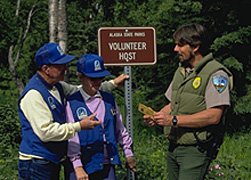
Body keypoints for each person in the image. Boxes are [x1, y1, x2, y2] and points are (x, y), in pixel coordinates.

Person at [18, 42, 129, 180]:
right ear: (46, 68)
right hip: (36, 161)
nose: (65, 68)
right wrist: (79, 126)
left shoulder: (57, 87)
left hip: (52, 160)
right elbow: (45, 132)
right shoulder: (34, 94)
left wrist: (111, 84)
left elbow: (83, 90)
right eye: (60, 65)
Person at [143, 23, 233, 180]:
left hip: (195, 149)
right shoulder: (181, 71)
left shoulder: (216, 74)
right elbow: (173, 103)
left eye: (180, 44)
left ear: (196, 47)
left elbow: (214, 115)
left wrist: (173, 120)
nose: (175, 49)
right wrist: (158, 116)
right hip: (174, 146)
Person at [66, 53, 136, 180]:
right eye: (93, 79)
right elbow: (72, 136)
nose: (97, 82)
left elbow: (119, 128)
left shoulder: (109, 100)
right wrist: (77, 165)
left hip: (107, 164)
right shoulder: (72, 103)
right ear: (81, 77)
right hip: (83, 165)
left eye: (100, 78)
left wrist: (128, 153)